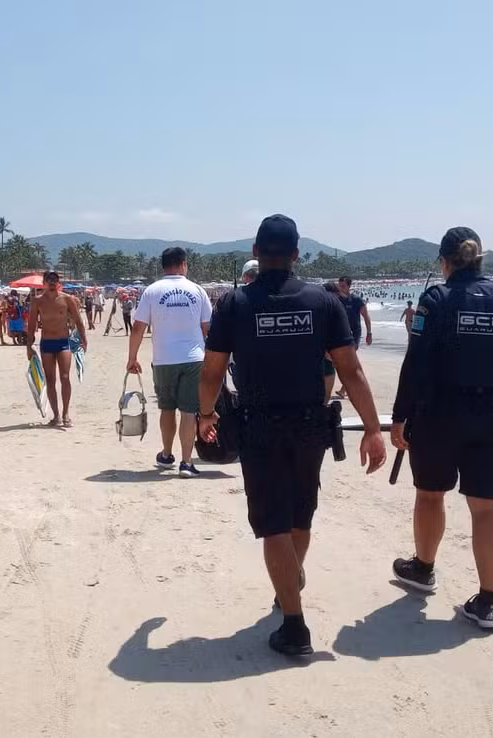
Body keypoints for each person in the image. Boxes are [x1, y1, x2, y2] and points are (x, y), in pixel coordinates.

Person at [198, 215, 386, 656]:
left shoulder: (236, 304)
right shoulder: (322, 302)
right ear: (297, 255)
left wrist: (205, 415)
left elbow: (211, 371)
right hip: (310, 425)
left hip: (259, 423)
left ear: (257, 253)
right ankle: (290, 584)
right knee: (300, 515)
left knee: (273, 525)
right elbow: (350, 369)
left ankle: (295, 626)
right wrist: (373, 428)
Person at [389, 227, 493, 631]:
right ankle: (488, 602)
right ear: (480, 258)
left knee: (430, 495)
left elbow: (416, 363)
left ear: (445, 262)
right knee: (487, 509)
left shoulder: (436, 299)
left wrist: (401, 416)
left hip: (440, 416)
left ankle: (424, 568)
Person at [127, 247, 212, 478]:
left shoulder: (152, 291)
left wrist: (132, 358)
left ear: (163, 265)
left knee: (167, 408)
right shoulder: (197, 290)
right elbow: (208, 329)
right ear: (183, 264)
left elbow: (138, 327)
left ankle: (166, 455)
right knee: (188, 411)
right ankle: (186, 462)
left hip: (164, 359)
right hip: (194, 358)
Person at [26, 271, 87, 427]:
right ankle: (56, 415)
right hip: (46, 343)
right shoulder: (37, 301)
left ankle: (66, 413)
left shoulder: (67, 299)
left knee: (65, 377)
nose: (52, 282)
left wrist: (84, 340)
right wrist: (29, 346)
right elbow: (32, 325)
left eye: (55, 280)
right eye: (49, 280)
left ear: (58, 282)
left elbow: (79, 321)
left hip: (63, 343)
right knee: (50, 380)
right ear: (44, 283)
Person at [333, 276, 372, 399]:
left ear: (349, 286)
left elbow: (366, 316)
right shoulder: (336, 299)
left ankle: (345, 389)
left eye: (343, 286)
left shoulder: (356, 300)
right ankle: (347, 387)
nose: (341, 288)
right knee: (342, 363)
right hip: (339, 334)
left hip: (354, 335)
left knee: (348, 361)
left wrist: (369, 333)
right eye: (339, 286)